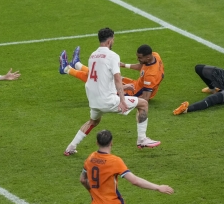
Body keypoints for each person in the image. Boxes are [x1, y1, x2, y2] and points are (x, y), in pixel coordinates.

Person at [63, 28, 161, 156]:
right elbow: (116, 78)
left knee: (93, 122)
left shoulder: (93, 55)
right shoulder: (113, 56)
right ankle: (142, 139)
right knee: (143, 104)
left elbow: (101, 80)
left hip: (93, 100)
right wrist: (122, 100)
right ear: (109, 41)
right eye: (113, 39)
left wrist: (125, 88)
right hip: (108, 100)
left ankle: (70, 147)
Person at [80, 130, 174, 204]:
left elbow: (83, 179)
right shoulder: (114, 161)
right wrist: (158, 187)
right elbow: (134, 181)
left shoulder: (90, 158)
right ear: (111, 142)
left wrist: (93, 194)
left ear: (97, 142)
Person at [59, 44, 164, 101]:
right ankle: (77, 64)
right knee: (103, 74)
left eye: (139, 57)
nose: (138, 59)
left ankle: (66, 69)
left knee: (98, 79)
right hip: (135, 84)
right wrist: (124, 65)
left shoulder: (151, 75)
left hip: (132, 92)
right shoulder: (155, 56)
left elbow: (145, 98)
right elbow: (143, 66)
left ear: (148, 57)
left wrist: (128, 100)